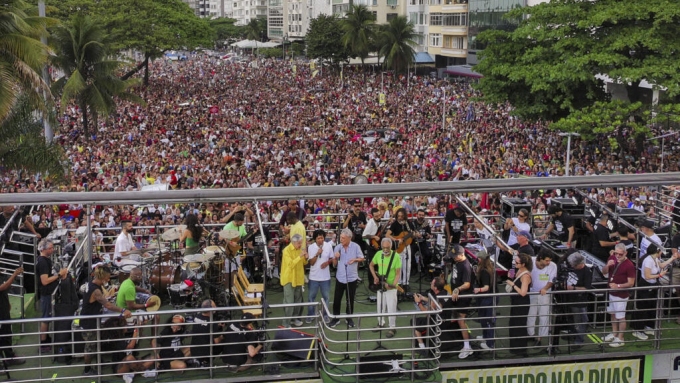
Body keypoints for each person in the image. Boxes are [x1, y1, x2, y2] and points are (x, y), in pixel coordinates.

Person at [81, 266, 132, 376]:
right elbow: (108, 305)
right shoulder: (95, 290)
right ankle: (87, 370)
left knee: (96, 343)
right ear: (103, 277)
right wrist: (122, 310)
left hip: (92, 320)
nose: (109, 280)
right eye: (108, 278)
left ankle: (100, 362)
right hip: (89, 323)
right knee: (90, 347)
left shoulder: (92, 284)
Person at [632, 244, 677, 336]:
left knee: (652, 306)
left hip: (653, 285)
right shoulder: (648, 260)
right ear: (657, 251)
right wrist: (660, 275)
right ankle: (638, 330)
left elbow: (661, 265)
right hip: (645, 286)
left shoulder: (655, 258)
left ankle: (649, 326)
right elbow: (648, 276)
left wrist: (672, 258)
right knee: (643, 307)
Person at [100, 317, 156, 383]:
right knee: (130, 358)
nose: (126, 327)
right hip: (120, 367)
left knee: (152, 358)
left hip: (133, 362)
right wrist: (136, 331)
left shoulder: (126, 334)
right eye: (124, 325)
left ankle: (132, 374)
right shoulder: (116, 340)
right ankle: (142, 372)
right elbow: (130, 347)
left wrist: (140, 327)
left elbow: (138, 337)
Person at [36, 238, 68, 352]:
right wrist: (59, 275)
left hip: (47, 293)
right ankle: (43, 343)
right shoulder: (43, 262)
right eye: (50, 248)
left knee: (47, 317)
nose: (52, 250)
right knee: (46, 318)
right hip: (46, 293)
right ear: (44, 249)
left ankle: (46, 339)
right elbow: (45, 281)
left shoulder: (43, 260)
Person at [601, 243, 636, 347]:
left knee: (621, 317)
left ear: (625, 253)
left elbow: (631, 283)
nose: (618, 256)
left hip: (621, 295)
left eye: (620, 254)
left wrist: (618, 286)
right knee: (612, 314)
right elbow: (604, 272)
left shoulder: (629, 265)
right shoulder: (612, 257)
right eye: (616, 253)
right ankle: (614, 333)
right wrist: (607, 265)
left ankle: (620, 338)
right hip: (611, 292)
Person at [329, 229, 364, 328]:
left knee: (350, 299)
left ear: (349, 238)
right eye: (340, 238)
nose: (341, 240)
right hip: (340, 278)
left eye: (343, 238)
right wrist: (335, 258)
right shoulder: (337, 248)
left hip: (352, 278)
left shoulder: (356, 246)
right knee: (337, 299)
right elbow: (334, 265)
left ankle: (349, 318)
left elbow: (362, 258)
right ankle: (336, 318)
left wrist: (355, 259)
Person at [369, 238, 402, 338]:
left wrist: (393, 285)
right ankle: (380, 323)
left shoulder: (396, 256)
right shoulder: (378, 254)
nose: (386, 250)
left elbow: (397, 273)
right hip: (380, 285)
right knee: (380, 305)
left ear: (391, 247)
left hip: (391, 287)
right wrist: (375, 277)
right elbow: (371, 265)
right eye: (384, 248)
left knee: (391, 307)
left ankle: (392, 327)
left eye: (387, 248)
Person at [413, 276, 453, 356]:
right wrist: (423, 298)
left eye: (432, 283)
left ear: (435, 288)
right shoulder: (444, 292)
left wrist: (418, 302)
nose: (430, 283)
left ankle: (422, 348)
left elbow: (426, 312)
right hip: (445, 319)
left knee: (415, 324)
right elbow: (434, 302)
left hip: (437, 323)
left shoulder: (436, 300)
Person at [448, 244, 474, 359]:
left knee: (461, 320)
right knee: (456, 317)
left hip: (463, 296)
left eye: (455, 256)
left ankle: (467, 346)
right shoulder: (457, 261)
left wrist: (458, 289)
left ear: (461, 255)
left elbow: (467, 284)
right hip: (456, 295)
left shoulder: (466, 266)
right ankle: (463, 339)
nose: (454, 258)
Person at [505, 252, 532, 358]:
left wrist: (513, 284)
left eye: (517, 262)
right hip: (516, 302)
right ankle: (515, 349)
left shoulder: (525, 276)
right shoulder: (519, 270)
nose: (515, 264)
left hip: (522, 304)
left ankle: (521, 350)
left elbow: (523, 292)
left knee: (519, 326)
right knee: (513, 324)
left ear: (523, 264)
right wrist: (511, 278)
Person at [527, 250, 557, 347]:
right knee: (531, 314)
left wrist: (545, 288)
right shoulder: (530, 261)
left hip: (545, 294)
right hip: (531, 292)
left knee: (544, 316)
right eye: (547, 261)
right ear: (540, 259)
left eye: (549, 261)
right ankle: (530, 334)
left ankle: (540, 338)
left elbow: (551, 280)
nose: (548, 263)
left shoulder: (553, 266)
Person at [280, 233, 308, 327]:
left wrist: (305, 258)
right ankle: (286, 322)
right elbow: (291, 264)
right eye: (299, 243)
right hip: (289, 279)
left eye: (301, 243)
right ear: (294, 242)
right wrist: (300, 256)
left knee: (298, 301)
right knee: (289, 302)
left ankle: (294, 319)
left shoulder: (300, 249)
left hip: (299, 278)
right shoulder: (286, 251)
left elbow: (304, 262)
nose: (300, 245)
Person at [0, 266, 25, 365]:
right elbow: (2, 287)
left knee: (7, 334)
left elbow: (4, 291)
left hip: (4, 309)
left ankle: (10, 357)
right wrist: (14, 275)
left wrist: (8, 304)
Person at [306, 229, 333, 323]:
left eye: (322, 238)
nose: (320, 240)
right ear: (315, 239)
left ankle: (325, 315)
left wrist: (327, 263)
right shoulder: (310, 247)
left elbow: (332, 259)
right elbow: (312, 263)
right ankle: (310, 315)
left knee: (326, 298)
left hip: (325, 277)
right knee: (311, 297)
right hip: (313, 277)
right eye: (318, 238)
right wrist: (317, 254)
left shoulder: (329, 246)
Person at [472, 250, 496, 351]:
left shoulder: (485, 271)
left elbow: (486, 287)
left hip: (488, 297)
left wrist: (478, 289)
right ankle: (486, 337)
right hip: (486, 297)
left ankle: (490, 344)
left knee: (488, 320)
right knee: (484, 319)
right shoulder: (489, 269)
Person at [385, 208, 415, 288]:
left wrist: (415, 234)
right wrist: (396, 240)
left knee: (407, 265)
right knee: (399, 265)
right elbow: (387, 235)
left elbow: (412, 234)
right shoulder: (395, 224)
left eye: (401, 216)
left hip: (407, 246)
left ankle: (406, 283)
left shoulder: (408, 223)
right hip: (398, 247)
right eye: (398, 216)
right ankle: (399, 282)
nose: (400, 217)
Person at [190, 300, 225, 367]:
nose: (216, 307)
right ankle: (206, 361)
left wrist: (217, 327)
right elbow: (217, 341)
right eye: (214, 306)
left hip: (194, 350)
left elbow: (204, 326)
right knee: (225, 340)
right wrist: (222, 335)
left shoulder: (197, 317)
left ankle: (199, 359)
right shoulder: (212, 323)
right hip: (206, 352)